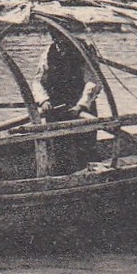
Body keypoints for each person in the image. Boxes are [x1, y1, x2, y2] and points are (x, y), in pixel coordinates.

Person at [33, 37, 101, 173]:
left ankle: (89, 177)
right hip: (56, 107)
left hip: (80, 108)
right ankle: (62, 176)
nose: (57, 38)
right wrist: (44, 100)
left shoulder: (84, 48)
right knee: (58, 145)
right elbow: (38, 80)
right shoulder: (49, 51)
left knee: (85, 146)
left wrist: (82, 104)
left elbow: (93, 79)